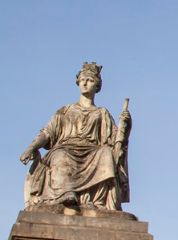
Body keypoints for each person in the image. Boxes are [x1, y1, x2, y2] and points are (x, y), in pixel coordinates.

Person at [20, 61, 131, 212]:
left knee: (106, 154)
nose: (86, 83)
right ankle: (64, 193)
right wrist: (31, 147)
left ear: (97, 86)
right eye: (83, 80)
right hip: (66, 148)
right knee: (61, 156)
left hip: (92, 150)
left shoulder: (102, 113)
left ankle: (99, 203)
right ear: (78, 82)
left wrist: (126, 124)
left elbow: (116, 141)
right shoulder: (65, 110)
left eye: (90, 80)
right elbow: (47, 132)